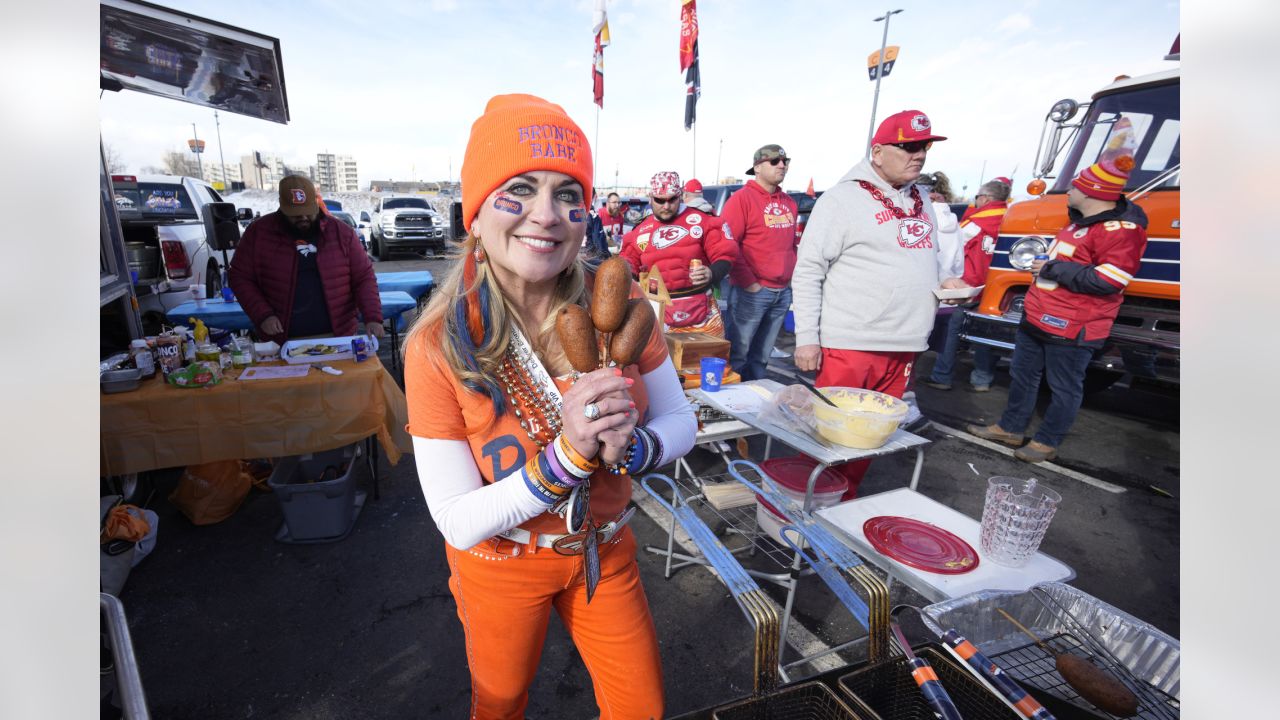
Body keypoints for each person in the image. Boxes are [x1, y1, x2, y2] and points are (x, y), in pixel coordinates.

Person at [402, 93, 695, 720]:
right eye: (520, 189)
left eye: (569, 194)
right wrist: (566, 458)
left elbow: (681, 421)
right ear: (475, 215)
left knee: (640, 708)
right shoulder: (436, 345)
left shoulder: (621, 310)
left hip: (604, 550)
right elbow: (456, 519)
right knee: (500, 706)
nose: (548, 214)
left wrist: (636, 446)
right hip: (499, 564)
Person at [792, 110, 964, 497]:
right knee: (830, 442)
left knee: (869, 442)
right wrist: (806, 337)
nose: (918, 155)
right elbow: (808, 270)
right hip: (852, 342)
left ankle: (839, 508)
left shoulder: (921, 197)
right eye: (907, 147)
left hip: (905, 342)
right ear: (878, 152)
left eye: (923, 147)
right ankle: (804, 514)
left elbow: (921, 259)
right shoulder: (842, 199)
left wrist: (943, 280)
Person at [968, 155, 1146, 463]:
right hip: (1038, 317)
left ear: (1092, 192)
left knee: (1064, 388)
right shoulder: (1079, 220)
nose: (1069, 190)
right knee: (1023, 375)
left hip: (1074, 325)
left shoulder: (1121, 230)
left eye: (1076, 185)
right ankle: (1010, 427)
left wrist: (1052, 270)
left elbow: (1110, 280)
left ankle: (1047, 441)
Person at [228, 175, 384, 344]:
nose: (303, 217)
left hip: (338, 337)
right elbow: (239, 277)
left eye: (308, 212)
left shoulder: (342, 233)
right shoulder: (258, 233)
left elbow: (364, 277)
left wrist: (372, 317)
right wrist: (263, 315)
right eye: (295, 214)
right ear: (282, 206)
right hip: (280, 341)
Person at [619, 171, 736, 335]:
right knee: (659, 361)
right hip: (657, 316)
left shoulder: (703, 221)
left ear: (680, 195)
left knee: (706, 359)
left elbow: (726, 253)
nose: (666, 206)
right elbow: (627, 264)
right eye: (660, 200)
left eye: (672, 199)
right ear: (651, 197)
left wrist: (712, 273)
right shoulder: (639, 231)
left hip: (702, 314)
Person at [720, 144, 800, 380]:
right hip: (752, 291)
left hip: (782, 290)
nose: (782, 165)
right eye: (775, 161)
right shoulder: (741, 200)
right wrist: (750, 283)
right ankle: (732, 404)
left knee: (762, 356)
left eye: (785, 161)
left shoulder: (789, 202)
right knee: (739, 354)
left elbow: (791, 244)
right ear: (757, 167)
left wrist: (791, 278)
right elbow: (728, 244)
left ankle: (754, 398)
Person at [925, 177, 1011, 391]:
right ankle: (981, 378)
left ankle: (942, 376)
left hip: (966, 285)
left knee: (951, 334)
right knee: (986, 335)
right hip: (997, 289)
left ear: (985, 198)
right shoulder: (1013, 220)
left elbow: (953, 252)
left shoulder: (975, 223)